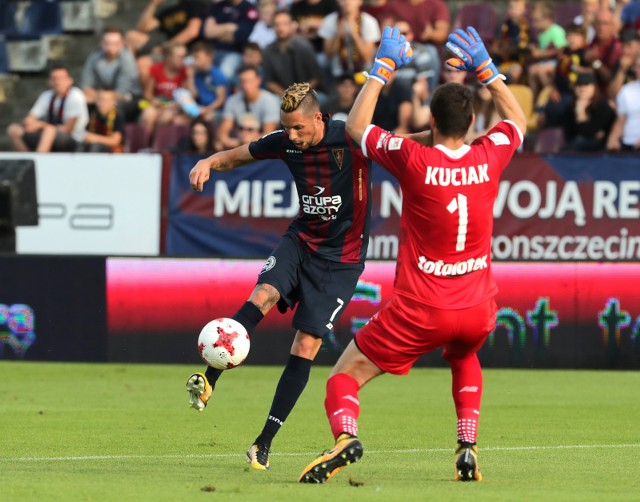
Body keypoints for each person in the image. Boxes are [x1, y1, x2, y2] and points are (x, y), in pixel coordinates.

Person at [298, 25, 526, 483]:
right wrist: (487, 69)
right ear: (473, 126)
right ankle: (466, 447)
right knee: (465, 354)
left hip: (422, 308)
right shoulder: (490, 155)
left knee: (343, 375)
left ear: (433, 123)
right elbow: (518, 119)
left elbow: (358, 128)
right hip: (478, 306)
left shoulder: (414, 159)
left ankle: (345, 436)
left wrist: (382, 66)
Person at [185, 82, 375, 471]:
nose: (292, 136)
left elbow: (404, 142)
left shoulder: (351, 137)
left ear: (319, 118)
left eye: (298, 129)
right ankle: (209, 380)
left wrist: (448, 142)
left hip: (341, 259)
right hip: (301, 240)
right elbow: (236, 156)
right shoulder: (284, 142)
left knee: (306, 343)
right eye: (287, 128)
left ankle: (263, 443)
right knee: (262, 296)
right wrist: (208, 162)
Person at [6, 65, 89, 153]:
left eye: (61, 78)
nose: (57, 82)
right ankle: (26, 161)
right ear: (49, 81)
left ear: (69, 81)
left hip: (72, 138)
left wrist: (41, 125)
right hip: (48, 134)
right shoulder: (46, 95)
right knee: (14, 130)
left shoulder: (75, 96)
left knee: (49, 130)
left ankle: (40, 161)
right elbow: (29, 118)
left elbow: (68, 129)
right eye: (54, 78)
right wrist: (30, 124)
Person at [80, 26, 142, 122]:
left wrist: (102, 99)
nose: (110, 47)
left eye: (115, 43)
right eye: (107, 43)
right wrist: (101, 99)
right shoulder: (94, 57)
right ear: (101, 43)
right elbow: (86, 86)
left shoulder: (127, 59)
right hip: (99, 97)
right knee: (80, 101)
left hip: (127, 99)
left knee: (112, 107)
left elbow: (121, 92)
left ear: (121, 44)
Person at [213, 64, 280, 151]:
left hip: (264, 150)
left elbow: (269, 134)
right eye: (242, 81)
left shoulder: (270, 101)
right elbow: (223, 132)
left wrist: (246, 141)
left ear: (258, 80)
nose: (245, 86)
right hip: (240, 146)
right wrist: (239, 142)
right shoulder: (232, 100)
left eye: (249, 81)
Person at [561, 71, 615, 152]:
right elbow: (569, 134)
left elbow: (589, 133)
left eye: (586, 84)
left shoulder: (603, 106)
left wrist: (580, 113)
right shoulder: (569, 108)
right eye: (579, 85)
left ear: (594, 87)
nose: (582, 88)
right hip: (575, 147)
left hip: (601, 150)